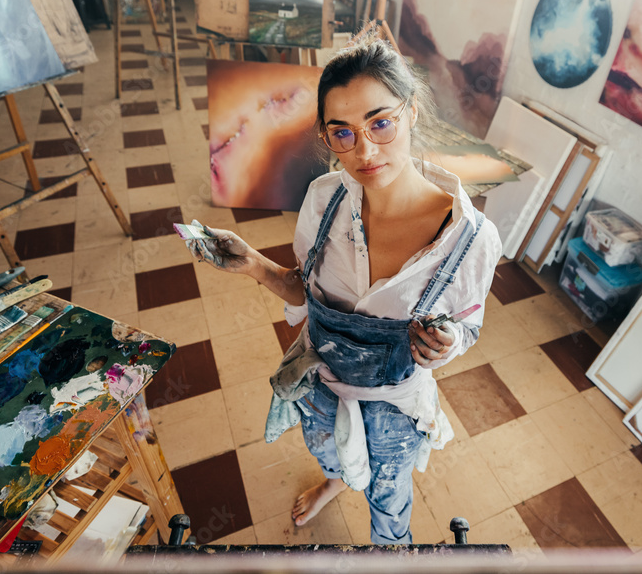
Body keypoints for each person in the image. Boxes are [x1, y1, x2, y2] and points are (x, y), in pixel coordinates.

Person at [187, 32, 502, 544]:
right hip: (322, 382)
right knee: (329, 450)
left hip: (393, 405)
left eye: (381, 123)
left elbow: (466, 327)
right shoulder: (323, 200)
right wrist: (252, 265)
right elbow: (305, 294)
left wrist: (445, 346)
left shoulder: (468, 240)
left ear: (412, 113)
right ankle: (335, 480)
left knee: (389, 497)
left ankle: (390, 547)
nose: (365, 150)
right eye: (342, 133)